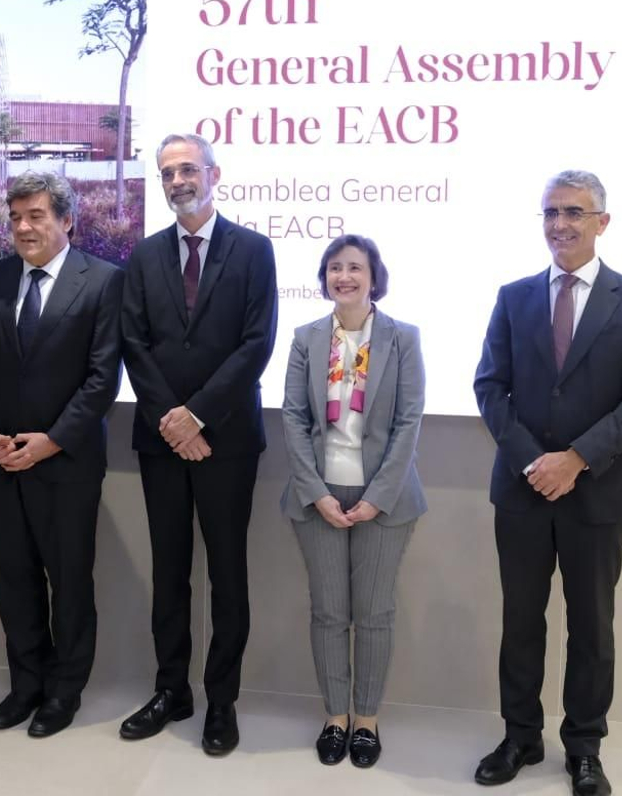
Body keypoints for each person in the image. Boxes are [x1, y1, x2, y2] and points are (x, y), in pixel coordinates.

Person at [471, 170, 622, 794]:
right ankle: (520, 736)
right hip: (523, 492)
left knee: (592, 625)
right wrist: (538, 461)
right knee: (521, 621)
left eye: (575, 213)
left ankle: (584, 746)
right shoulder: (514, 296)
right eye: (551, 212)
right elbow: (489, 387)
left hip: (597, 495)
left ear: (601, 222)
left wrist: (575, 459)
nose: (560, 224)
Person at [118, 133, 278, 756]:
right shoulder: (144, 255)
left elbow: (255, 343)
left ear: (215, 174)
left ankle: (221, 701)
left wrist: (199, 417)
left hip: (227, 441)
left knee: (228, 575)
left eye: (188, 169)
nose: (178, 181)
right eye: (167, 173)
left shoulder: (253, 250)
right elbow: (135, 342)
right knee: (169, 573)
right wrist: (172, 420)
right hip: (162, 442)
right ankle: (171, 690)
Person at [0, 171, 124, 738]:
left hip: (67, 464)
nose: (23, 227)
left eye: (36, 216)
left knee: (70, 582)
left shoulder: (102, 281)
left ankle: (64, 690)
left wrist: (50, 441)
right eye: (16, 217)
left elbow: (103, 380)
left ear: (67, 219)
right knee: (14, 579)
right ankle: (25, 684)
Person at [280, 234, 425, 769]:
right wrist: (315, 493)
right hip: (317, 495)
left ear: (373, 277)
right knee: (328, 613)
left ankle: (366, 720)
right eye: (335, 268)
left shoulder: (402, 338)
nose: (344, 276)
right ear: (324, 278)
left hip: (383, 499)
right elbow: (293, 418)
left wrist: (378, 497)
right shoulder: (305, 338)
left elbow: (410, 421)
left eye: (355, 268)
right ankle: (334, 717)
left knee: (375, 614)